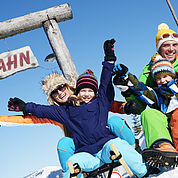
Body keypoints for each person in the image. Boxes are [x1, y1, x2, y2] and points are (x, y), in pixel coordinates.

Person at [7, 39, 148, 178]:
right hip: (87, 155)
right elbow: (42, 110)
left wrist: (109, 59)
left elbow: (105, 83)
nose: (86, 94)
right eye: (54, 92)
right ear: (78, 92)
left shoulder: (100, 102)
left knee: (116, 144)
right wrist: (25, 106)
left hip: (106, 148)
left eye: (61, 87)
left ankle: (143, 171)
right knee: (72, 163)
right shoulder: (64, 111)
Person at [116, 23, 178, 167]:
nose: (171, 49)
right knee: (148, 114)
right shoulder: (148, 71)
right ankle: (163, 149)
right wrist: (126, 86)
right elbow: (143, 95)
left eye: (174, 45)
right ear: (158, 48)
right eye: (166, 45)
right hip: (162, 111)